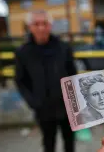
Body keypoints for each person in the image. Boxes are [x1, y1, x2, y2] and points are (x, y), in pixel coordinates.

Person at [14, 10, 76, 152]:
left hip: (67, 107)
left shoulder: (64, 48)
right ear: (30, 27)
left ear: (50, 26)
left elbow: (73, 74)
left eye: (45, 23)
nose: (41, 27)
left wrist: (74, 101)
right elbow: (20, 80)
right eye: (36, 24)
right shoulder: (23, 52)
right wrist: (33, 102)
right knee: (48, 143)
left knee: (70, 142)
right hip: (43, 109)